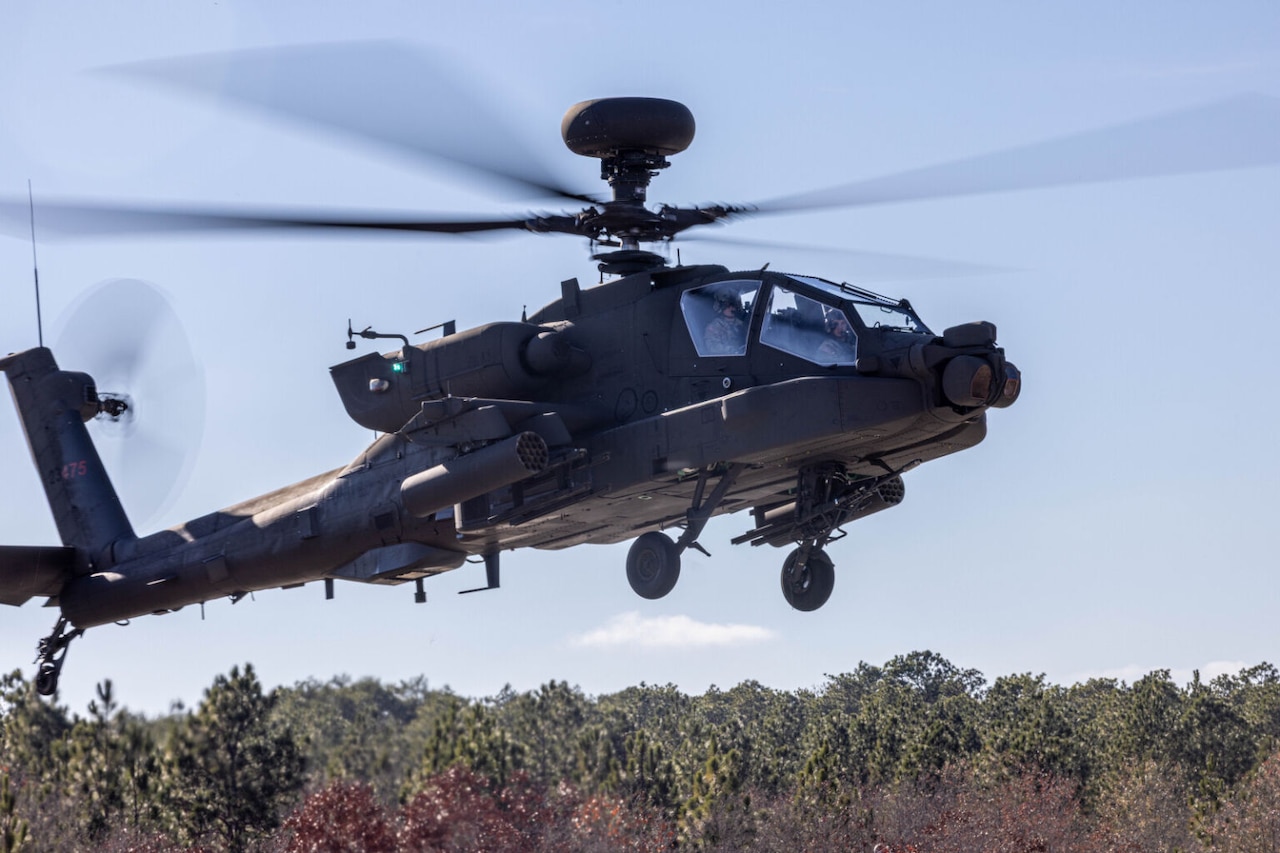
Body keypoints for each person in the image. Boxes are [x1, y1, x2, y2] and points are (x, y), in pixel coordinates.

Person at [704, 290, 748, 355]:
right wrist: (732, 350)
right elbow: (712, 347)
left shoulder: (742, 324)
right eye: (728, 305)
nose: (732, 308)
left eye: (734, 305)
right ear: (721, 307)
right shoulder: (714, 326)